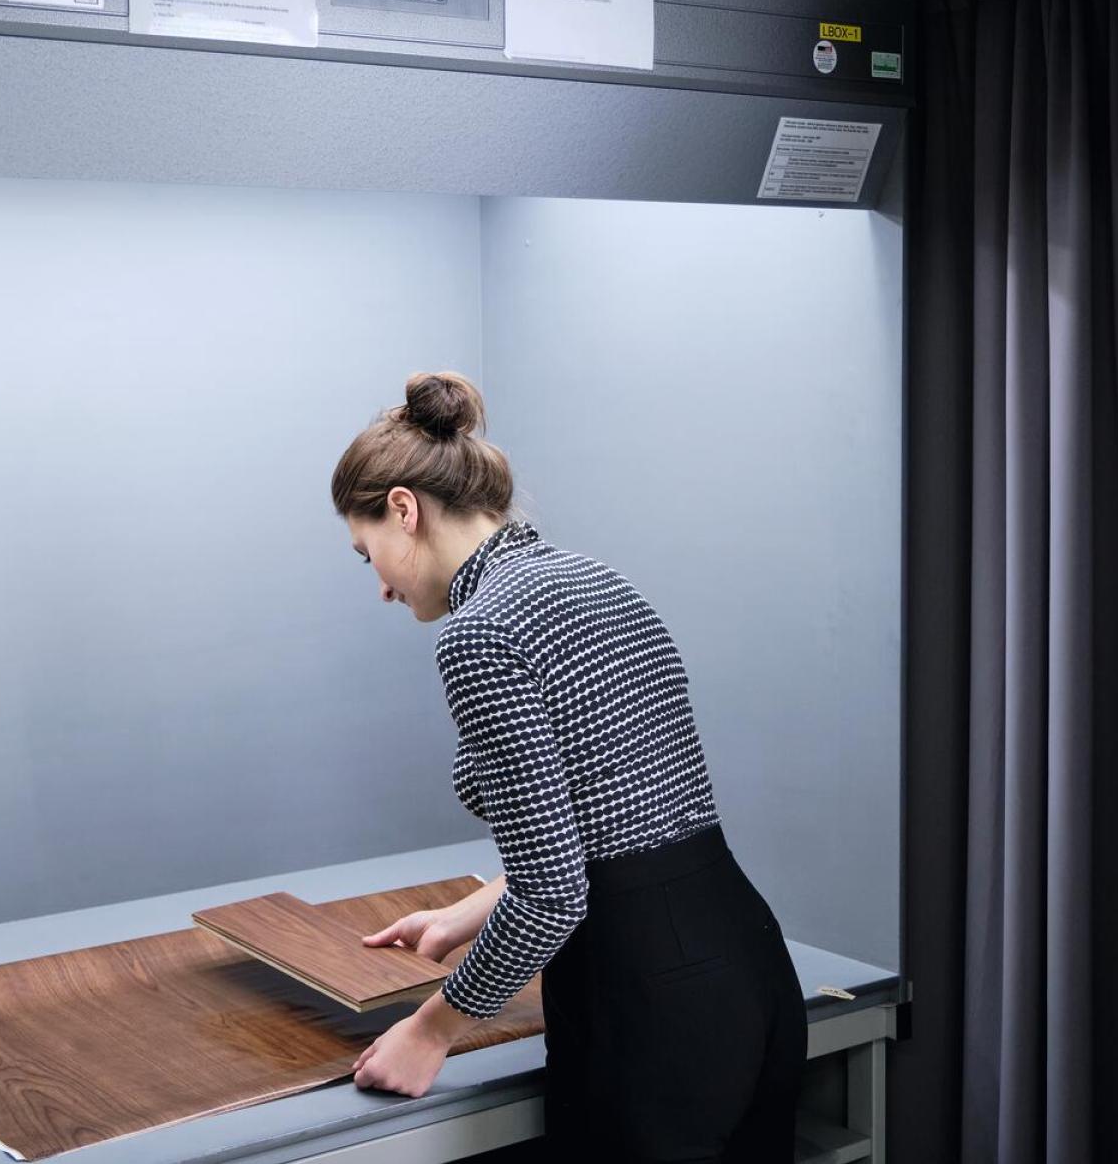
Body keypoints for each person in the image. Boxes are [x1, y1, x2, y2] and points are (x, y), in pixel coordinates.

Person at [330, 371, 806, 1162]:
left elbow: (556, 897)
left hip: (646, 1006)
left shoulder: (478, 632)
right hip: (747, 966)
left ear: (403, 510)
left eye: (365, 550)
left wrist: (429, 1029)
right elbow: (623, 821)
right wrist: (472, 910)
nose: (379, 583)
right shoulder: (596, 578)